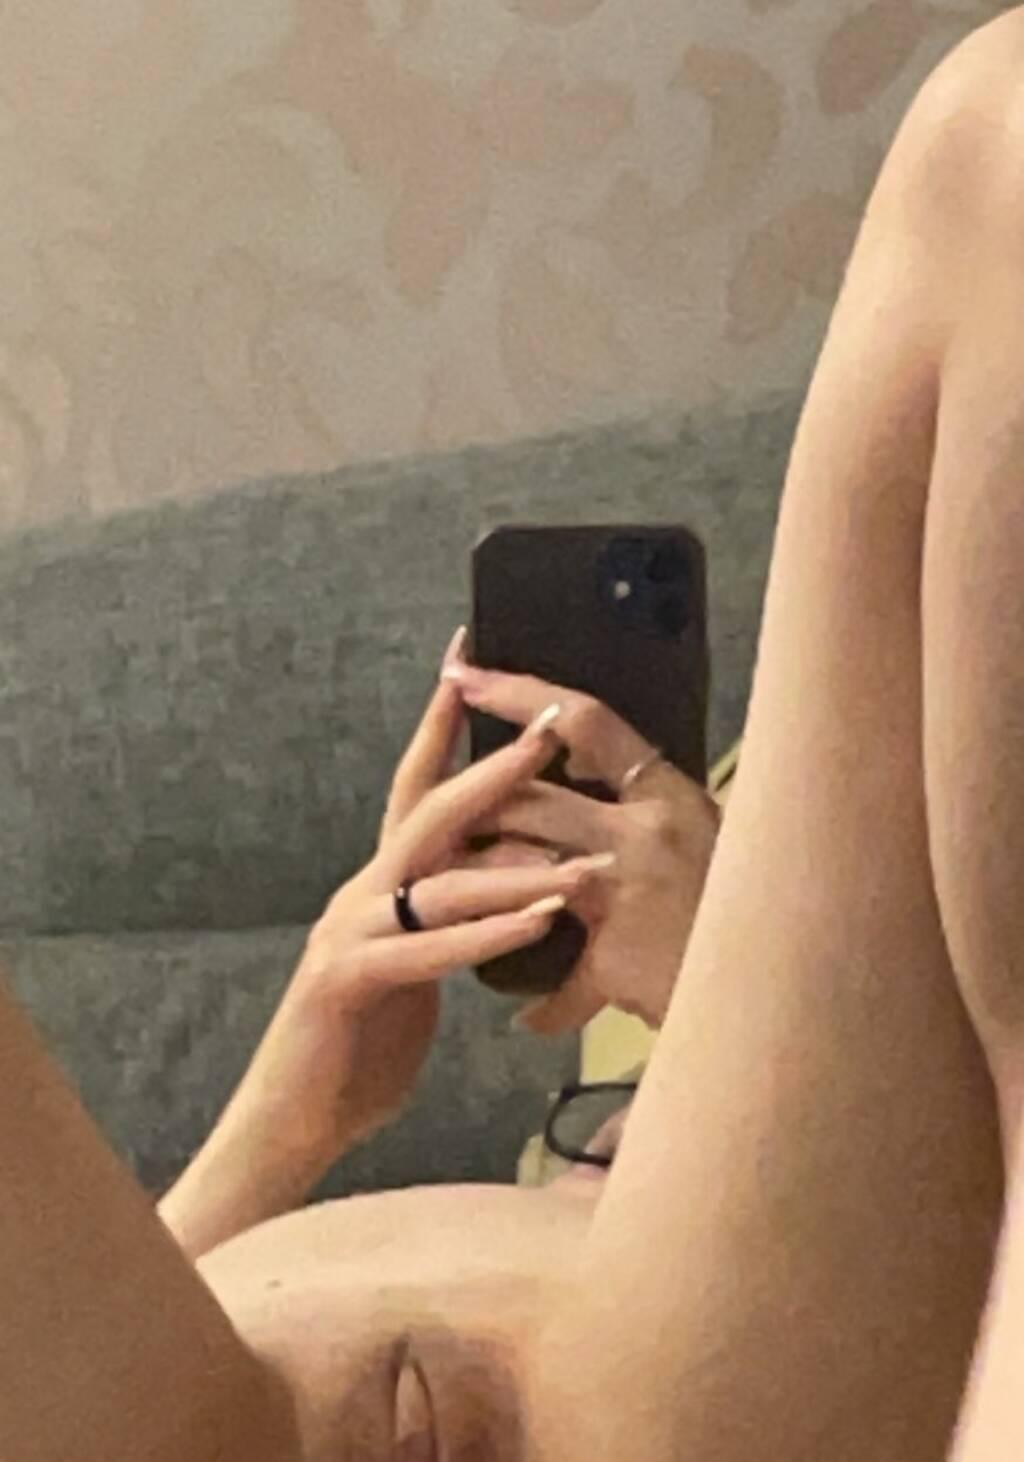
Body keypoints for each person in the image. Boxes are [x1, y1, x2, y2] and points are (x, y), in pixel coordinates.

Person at [6, 8, 1024, 1459]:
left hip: (646, 1385)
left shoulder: (893, 790)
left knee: (1003, 135)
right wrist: (291, 1110)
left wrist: (724, 959)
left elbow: (917, 1191)